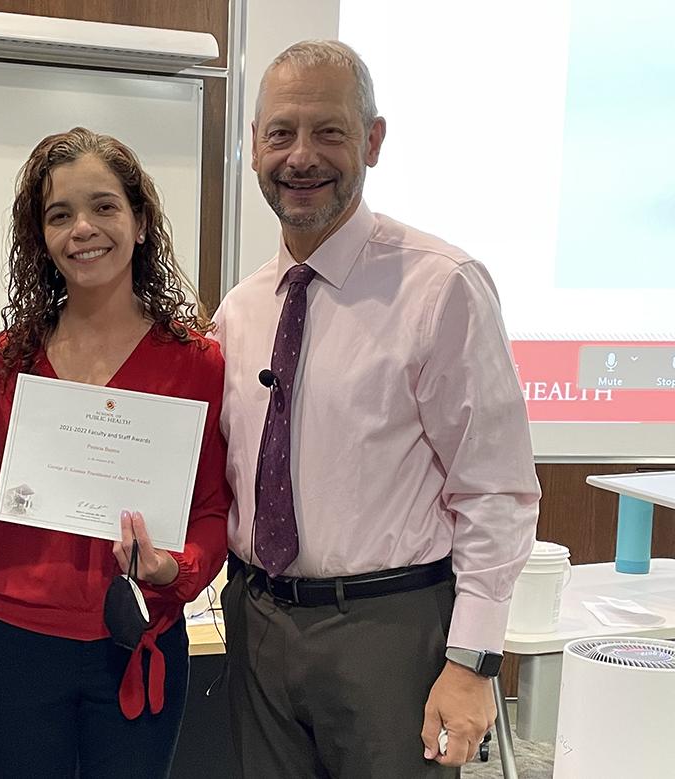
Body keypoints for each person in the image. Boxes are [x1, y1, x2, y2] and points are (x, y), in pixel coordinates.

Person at [212, 40, 541, 777]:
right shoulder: (238, 312)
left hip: (390, 632)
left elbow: (498, 489)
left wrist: (473, 660)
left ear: (373, 140)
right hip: (257, 622)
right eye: (280, 134)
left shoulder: (441, 287)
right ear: (255, 146)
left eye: (328, 131)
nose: (301, 157)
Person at [0, 127, 230, 778]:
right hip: (15, 643)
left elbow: (214, 510)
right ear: (42, 239)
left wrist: (176, 568)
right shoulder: (0, 364)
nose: (84, 228)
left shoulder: (198, 363)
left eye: (104, 206)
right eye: (60, 214)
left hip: (136, 638)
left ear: (141, 223)